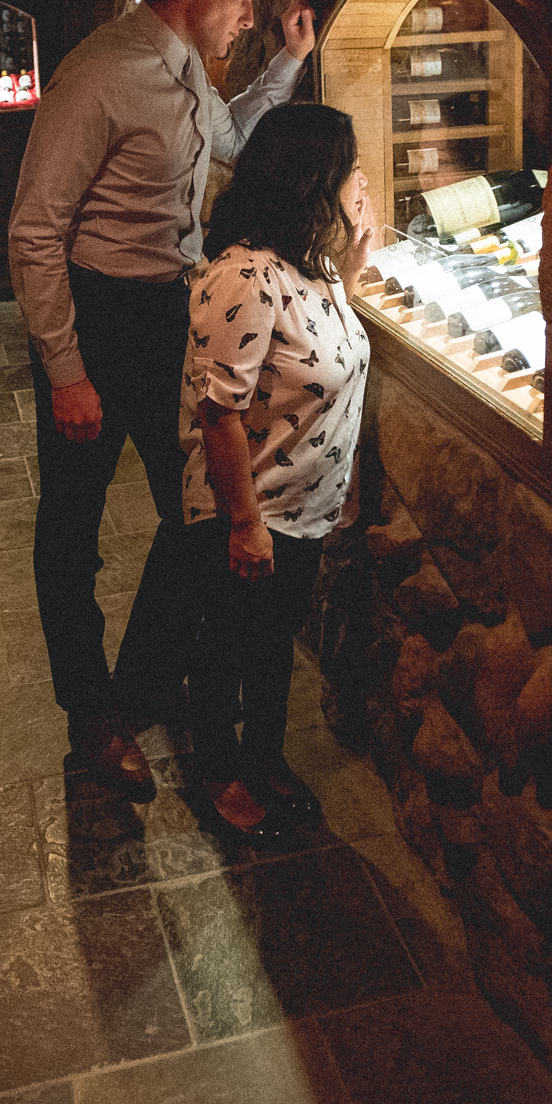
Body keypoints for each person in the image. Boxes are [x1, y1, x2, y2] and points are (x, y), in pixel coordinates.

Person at [6, 0, 317, 798]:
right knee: (72, 532)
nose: (250, 15)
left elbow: (229, 143)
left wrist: (291, 63)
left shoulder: (185, 72)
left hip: (172, 314)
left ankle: (142, 681)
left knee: (198, 514)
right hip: (96, 319)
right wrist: (67, 369)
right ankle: (91, 717)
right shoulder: (102, 75)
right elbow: (34, 231)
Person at [175, 103, 375, 838]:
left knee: (272, 644)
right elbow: (218, 411)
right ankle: (219, 772)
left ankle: (263, 755)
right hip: (248, 509)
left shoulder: (311, 266)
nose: (360, 181)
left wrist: (351, 257)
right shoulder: (243, 275)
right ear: (310, 182)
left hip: (305, 507)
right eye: (348, 169)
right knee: (227, 644)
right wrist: (245, 524)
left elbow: (329, 363)